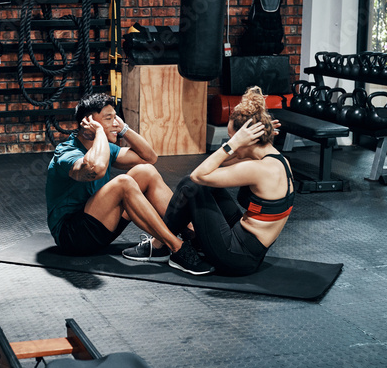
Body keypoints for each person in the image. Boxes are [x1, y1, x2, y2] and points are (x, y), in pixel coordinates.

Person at [122, 86, 291, 276]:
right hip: (249, 251)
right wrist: (245, 140)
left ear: (246, 140)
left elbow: (197, 176)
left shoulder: (255, 169)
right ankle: (167, 243)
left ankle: (159, 245)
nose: (230, 144)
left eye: (230, 138)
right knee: (209, 188)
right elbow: (217, 165)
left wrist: (232, 144)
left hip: (235, 258)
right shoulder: (278, 161)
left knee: (190, 185)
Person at [45, 93, 212, 274]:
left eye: (116, 117)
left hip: (97, 223)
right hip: (72, 237)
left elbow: (149, 158)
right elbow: (96, 168)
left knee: (144, 171)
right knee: (123, 182)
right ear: (89, 123)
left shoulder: (106, 147)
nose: (115, 122)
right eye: (109, 118)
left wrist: (124, 129)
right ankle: (177, 248)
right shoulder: (66, 153)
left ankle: (193, 235)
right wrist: (100, 131)